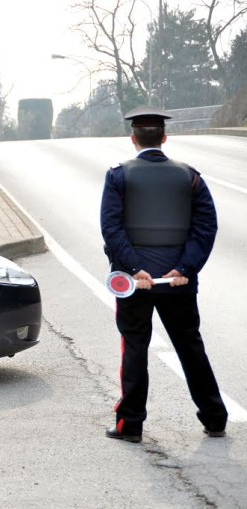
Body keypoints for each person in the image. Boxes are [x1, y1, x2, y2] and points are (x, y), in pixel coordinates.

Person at [100, 106, 228, 443]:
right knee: (190, 347)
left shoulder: (117, 175)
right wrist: (185, 268)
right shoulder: (190, 176)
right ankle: (215, 418)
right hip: (178, 282)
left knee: (135, 348)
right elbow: (207, 227)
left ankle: (131, 425)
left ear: (134, 139)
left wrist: (133, 268)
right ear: (164, 138)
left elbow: (111, 229)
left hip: (135, 283)